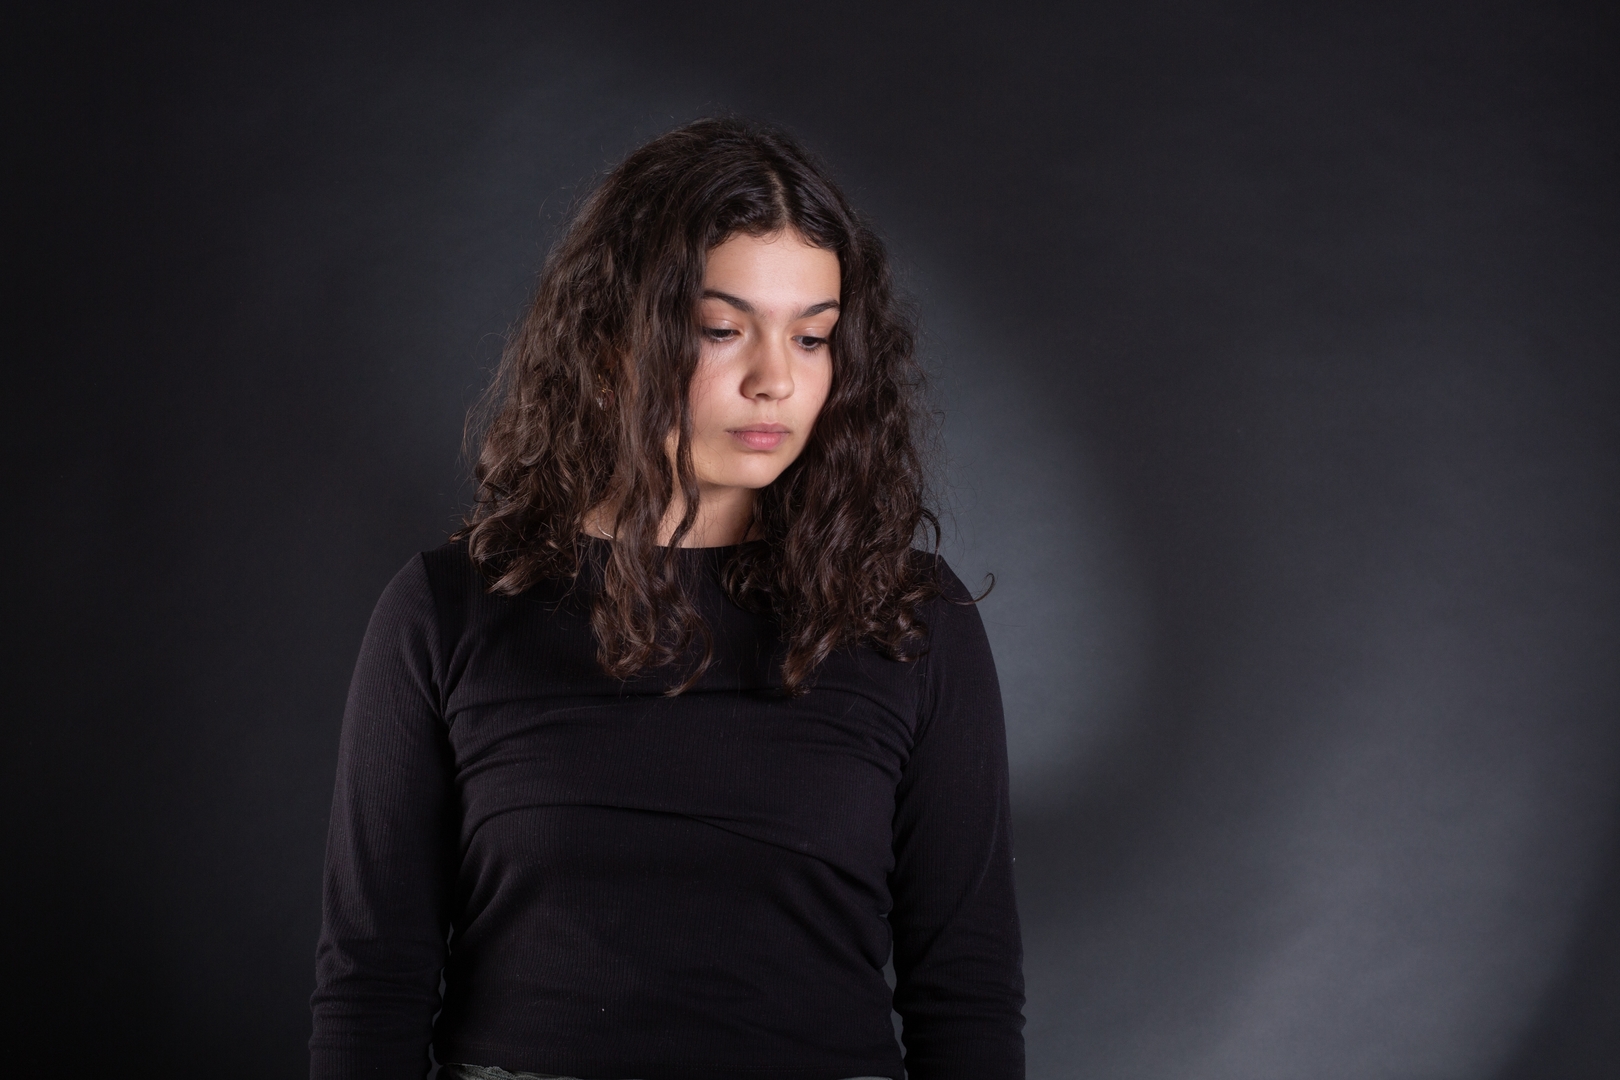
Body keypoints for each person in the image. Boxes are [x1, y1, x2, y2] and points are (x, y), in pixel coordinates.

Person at [310, 117, 1024, 1080]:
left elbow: (966, 995)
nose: (775, 380)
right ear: (610, 343)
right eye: (722, 330)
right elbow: (373, 984)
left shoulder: (909, 618)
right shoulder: (446, 612)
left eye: (812, 338)